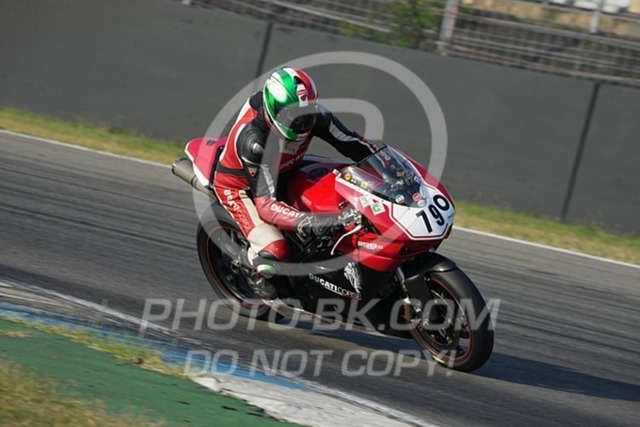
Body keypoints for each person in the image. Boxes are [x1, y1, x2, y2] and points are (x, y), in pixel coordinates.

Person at [211, 66, 376, 298]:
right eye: (291, 115)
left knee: (345, 189)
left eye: (305, 112)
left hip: (287, 167)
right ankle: (253, 266)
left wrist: (391, 168)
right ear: (274, 109)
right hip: (243, 188)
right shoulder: (255, 142)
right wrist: (312, 222)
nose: (301, 122)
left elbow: (355, 145)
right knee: (276, 250)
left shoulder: (317, 116)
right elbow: (267, 206)